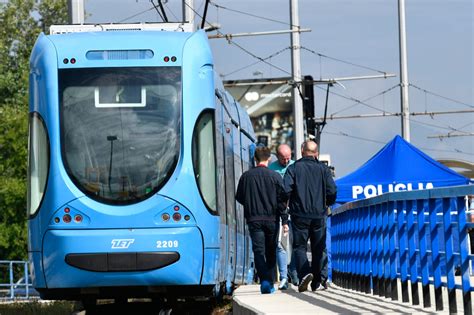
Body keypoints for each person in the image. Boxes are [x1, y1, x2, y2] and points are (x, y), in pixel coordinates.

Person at [283, 140, 337, 293]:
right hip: (319, 215)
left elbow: (285, 190)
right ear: (316, 153)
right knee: (318, 248)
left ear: (302, 151)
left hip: (299, 215)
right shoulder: (323, 170)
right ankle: (317, 282)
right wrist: (327, 203)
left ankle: (305, 273)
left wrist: (288, 204)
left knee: (299, 247)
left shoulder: (293, 169)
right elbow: (332, 191)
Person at [236, 146, 289, 294]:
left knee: (258, 251)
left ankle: (265, 280)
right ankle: (270, 281)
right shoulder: (275, 176)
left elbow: (239, 197)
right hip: (272, 219)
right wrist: (284, 220)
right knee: (271, 250)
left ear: (255, 158)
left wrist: (251, 204)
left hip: (254, 219)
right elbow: (282, 201)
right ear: (269, 158)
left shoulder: (246, 177)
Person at [268, 144, 297, 289]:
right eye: (283, 159)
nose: (286, 161)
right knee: (281, 245)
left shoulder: (295, 166)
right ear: (277, 157)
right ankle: (282, 275)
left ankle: (293, 274)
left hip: (294, 211)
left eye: (288, 158)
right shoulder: (271, 169)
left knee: (294, 244)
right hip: (279, 212)